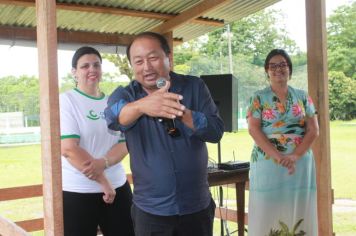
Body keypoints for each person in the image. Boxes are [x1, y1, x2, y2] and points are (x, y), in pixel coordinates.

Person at [105, 31, 224, 236]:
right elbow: (113, 117)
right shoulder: (126, 94)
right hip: (151, 212)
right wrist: (144, 106)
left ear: (168, 58)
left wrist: (183, 113)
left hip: (196, 207)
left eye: (153, 58)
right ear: (132, 66)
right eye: (139, 61)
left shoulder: (194, 86)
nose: (147, 67)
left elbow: (215, 132)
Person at [59, 46, 134, 236]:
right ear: (74, 72)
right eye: (85, 66)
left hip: (118, 188)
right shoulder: (66, 101)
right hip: (77, 192)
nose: (92, 69)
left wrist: (104, 163)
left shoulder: (113, 103)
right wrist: (103, 181)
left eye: (96, 65)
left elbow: (124, 143)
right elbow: (69, 149)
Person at [247, 49, 319, 235]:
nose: (278, 69)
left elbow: (313, 130)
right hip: (267, 162)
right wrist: (279, 157)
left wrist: (295, 156)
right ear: (267, 71)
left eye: (283, 65)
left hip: (300, 161)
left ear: (289, 69)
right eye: (273, 66)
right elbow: (254, 129)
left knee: (299, 206)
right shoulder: (258, 98)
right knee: (267, 209)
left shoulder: (303, 96)